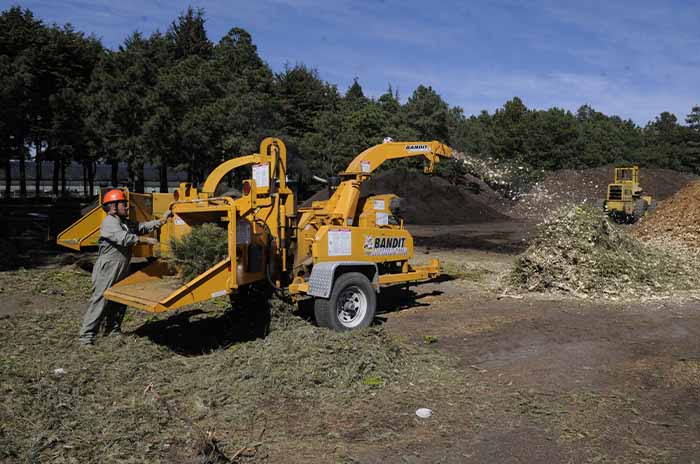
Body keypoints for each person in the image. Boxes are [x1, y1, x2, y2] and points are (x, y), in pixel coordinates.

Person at [79, 189, 172, 345]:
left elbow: (140, 227)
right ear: (113, 207)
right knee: (101, 300)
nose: (127, 207)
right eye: (124, 204)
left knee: (119, 299)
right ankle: (86, 336)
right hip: (108, 266)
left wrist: (161, 221)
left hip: (121, 265)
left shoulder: (123, 222)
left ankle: (112, 329)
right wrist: (146, 241)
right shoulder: (109, 222)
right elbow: (124, 238)